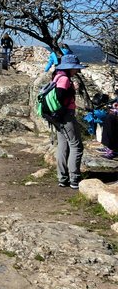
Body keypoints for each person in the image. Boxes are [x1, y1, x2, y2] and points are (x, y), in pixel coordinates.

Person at [52, 53, 86, 189]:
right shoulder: (65, 79)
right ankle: (74, 179)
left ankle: (62, 178)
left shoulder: (57, 76)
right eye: (75, 68)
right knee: (76, 146)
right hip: (65, 115)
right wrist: (73, 90)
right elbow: (61, 95)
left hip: (57, 116)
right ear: (69, 68)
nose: (77, 71)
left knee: (63, 145)